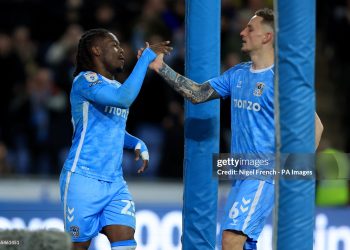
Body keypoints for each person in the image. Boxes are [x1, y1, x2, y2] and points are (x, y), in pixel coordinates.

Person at [148, 8, 323, 250]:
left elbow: (316, 126)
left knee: (231, 239)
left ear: (267, 37)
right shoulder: (238, 73)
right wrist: (160, 68)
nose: (242, 32)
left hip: (263, 174)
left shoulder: (281, 80)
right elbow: (198, 94)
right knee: (241, 243)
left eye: (250, 28)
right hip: (241, 173)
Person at [59, 28, 171, 250]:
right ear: (96, 50)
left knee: (126, 244)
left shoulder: (116, 87)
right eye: (115, 46)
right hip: (83, 179)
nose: (122, 51)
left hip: (115, 183)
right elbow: (123, 100)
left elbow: (113, 130)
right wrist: (146, 58)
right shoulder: (84, 81)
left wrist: (136, 142)